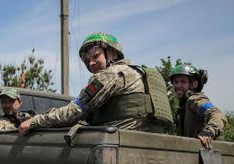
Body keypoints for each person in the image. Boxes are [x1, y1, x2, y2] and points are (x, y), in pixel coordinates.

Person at [18, 32, 173, 134]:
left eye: (95, 56)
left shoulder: (111, 74)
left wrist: (35, 121)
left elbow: (75, 111)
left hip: (120, 143)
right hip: (154, 141)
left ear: (112, 53)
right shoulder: (143, 73)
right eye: (88, 60)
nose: (91, 63)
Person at [170, 64, 227, 149]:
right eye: (175, 82)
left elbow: (217, 114)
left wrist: (208, 132)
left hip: (203, 153)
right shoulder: (183, 107)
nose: (178, 85)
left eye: (183, 81)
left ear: (194, 84)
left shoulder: (195, 99)